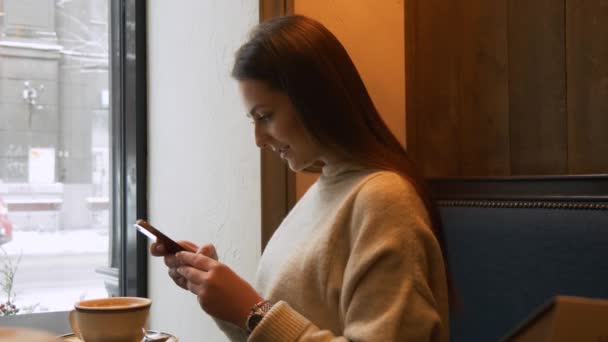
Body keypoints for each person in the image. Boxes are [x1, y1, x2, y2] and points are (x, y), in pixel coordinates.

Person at [151, 15, 452, 341]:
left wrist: (252, 311)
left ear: (314, 99)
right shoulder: (324, 191)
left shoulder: (385, 200)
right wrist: (221, 295)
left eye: (265, 116)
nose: (258, 139)